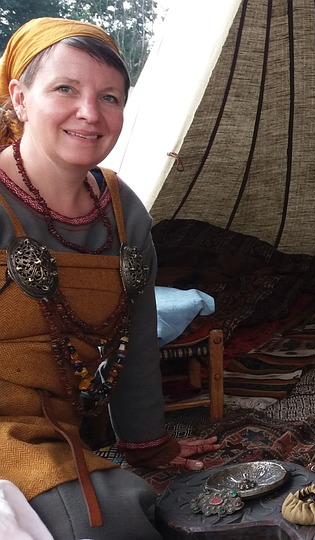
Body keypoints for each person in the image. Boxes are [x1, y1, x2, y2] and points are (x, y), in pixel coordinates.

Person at [0, 18, 219, 538]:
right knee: (104, 523)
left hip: (57, 431)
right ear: (20, 97)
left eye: (111, 97)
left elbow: (137, 338)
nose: (90, 113)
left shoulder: (123, 211)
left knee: (138, 508)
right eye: (65, 89)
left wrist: (149, 443)